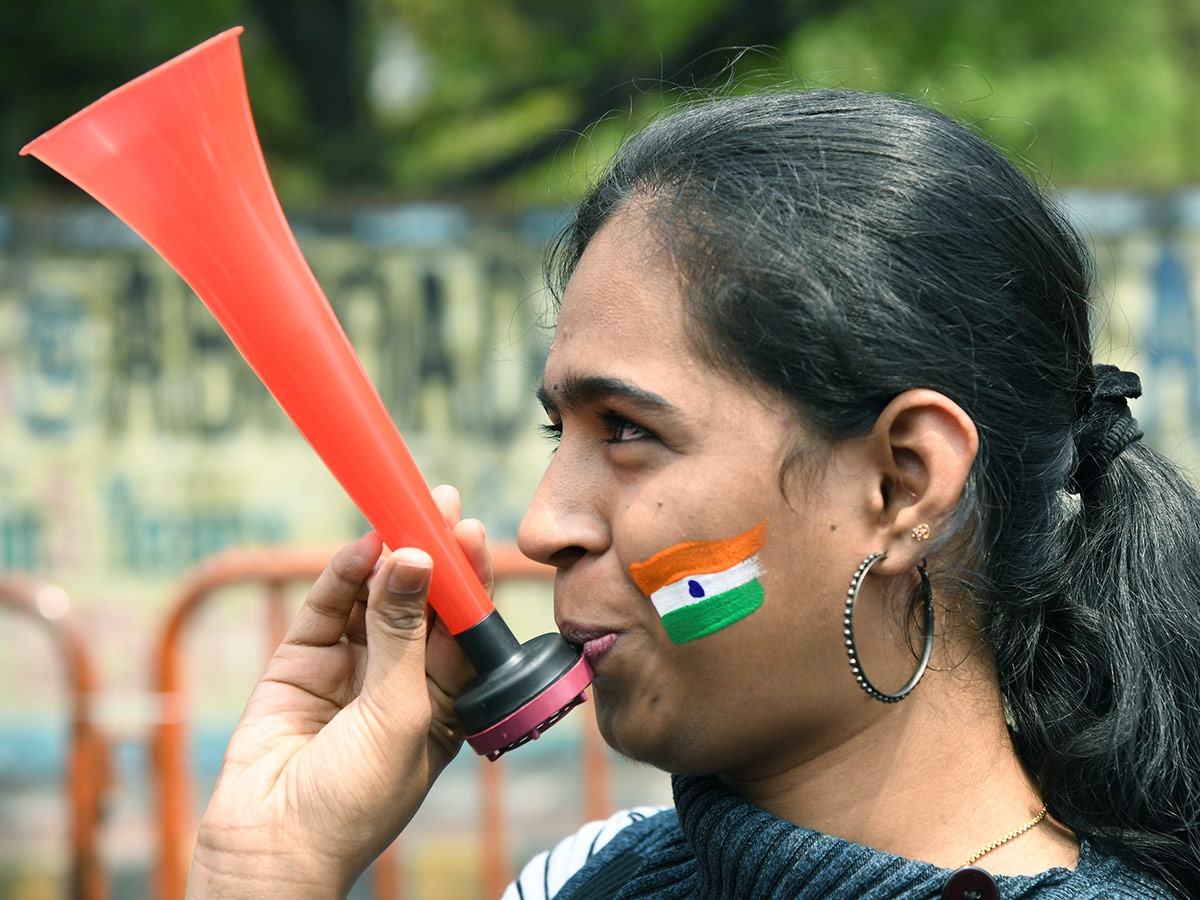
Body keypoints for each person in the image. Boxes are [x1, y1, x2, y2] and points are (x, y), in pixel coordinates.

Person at [184, 89, 1200, 900]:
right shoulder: (582, 879)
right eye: (561, 432)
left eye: (628, 431)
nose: (543, 527)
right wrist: (268, 874)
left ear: (903, 483)